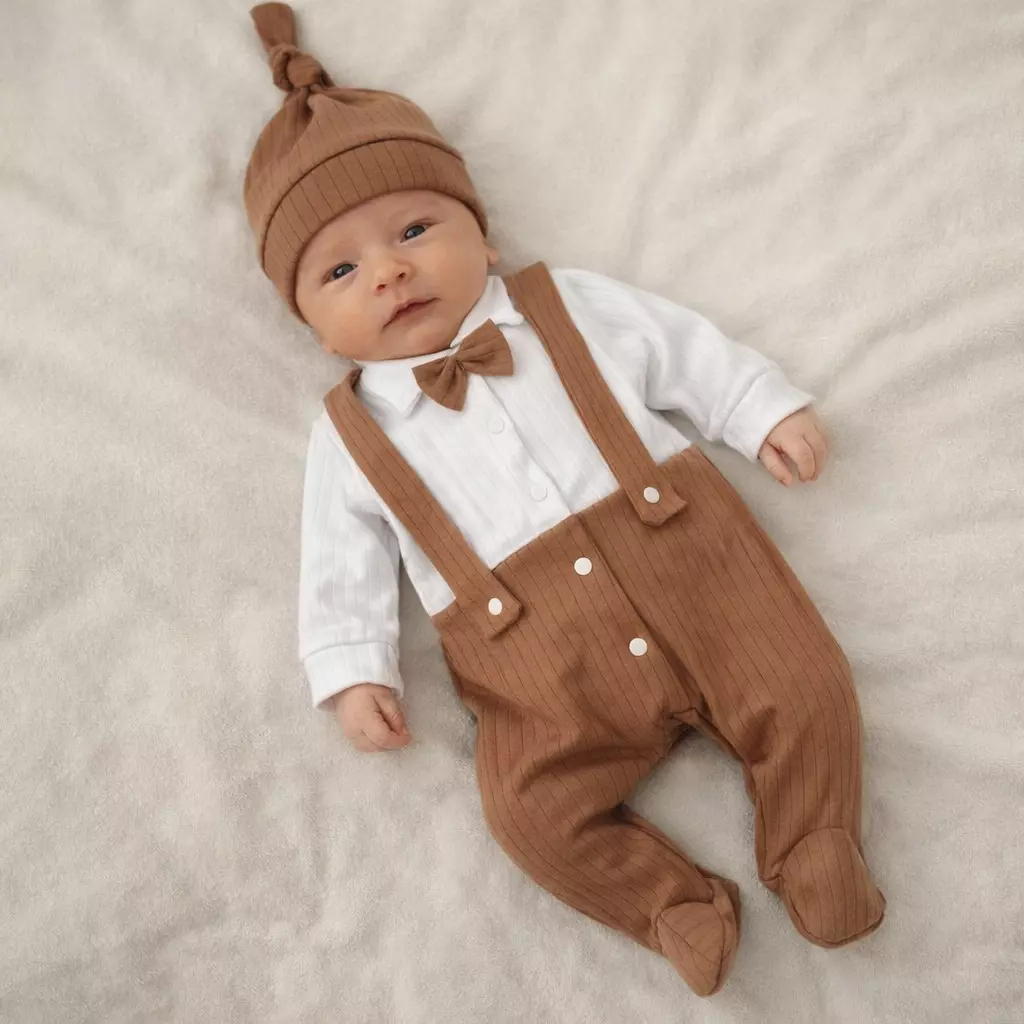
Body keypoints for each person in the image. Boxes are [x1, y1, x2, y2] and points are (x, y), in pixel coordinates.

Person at [242, 2, 885, 997]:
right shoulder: (351, 436)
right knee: (526, 815)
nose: (391, 270)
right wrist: (353, 666)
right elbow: (337, 556)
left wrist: (758, 408)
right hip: (543, 674)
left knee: (805, 686)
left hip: (702, 581)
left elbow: (678, 347)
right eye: (340, 269)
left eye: (415, 229)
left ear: (484, 238)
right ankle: (669, 903)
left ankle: (814, 841)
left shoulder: (566, 305)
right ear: (317, 329)